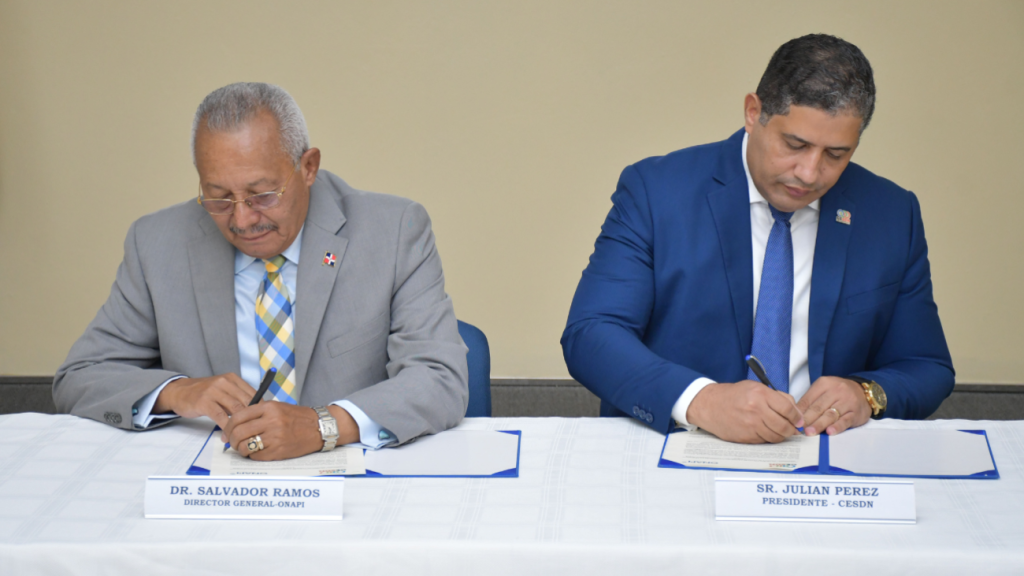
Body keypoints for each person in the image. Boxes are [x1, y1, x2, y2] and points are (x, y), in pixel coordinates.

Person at [562, 34, 954, 444]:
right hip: (680, 445)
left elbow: (926, 366)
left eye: (835, 155)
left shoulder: (891, 214)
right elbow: (592, 333)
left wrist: (866, 394)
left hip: (823, 454)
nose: (809, 172)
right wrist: (702, 401)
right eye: (795, 144)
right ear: (754, 112)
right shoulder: (657, 191)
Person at [54, 82, 468, 460]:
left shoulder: (392, 232)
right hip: (211, 479)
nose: (242, 220)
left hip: (351, 475)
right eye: (219, 198)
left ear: (308, 167)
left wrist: (323, 426)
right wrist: (179, 392)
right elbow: (80, 378)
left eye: (262, 195)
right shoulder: (158, 243)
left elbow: (439, 377)